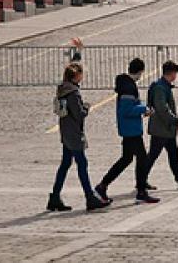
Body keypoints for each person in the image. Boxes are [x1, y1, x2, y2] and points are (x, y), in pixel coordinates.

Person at [95, 58, 159, 205]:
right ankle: (141, 191)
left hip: (128, 128)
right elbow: (127, 110)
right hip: (131, 130)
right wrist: (144, 109)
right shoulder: (129, 87)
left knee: (126, 159)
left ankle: (103, 186)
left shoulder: (125, 85)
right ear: (140, 71)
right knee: (142, 158)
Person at [48, 63, 110, 212]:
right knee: (82, 163)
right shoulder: (73, 93)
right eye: (81, 74)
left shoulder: (62, 90)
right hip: (74, 132)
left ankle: (55, 196)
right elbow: (79, 114)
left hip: (65, 130)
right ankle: (90, 197)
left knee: (65, 164)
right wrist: (87, 108)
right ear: (76, 76)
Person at [146, 61, 178, 190]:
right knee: (153, 156)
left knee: (172, 154)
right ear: (172, 73)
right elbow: (162, 109)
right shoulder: (160, 87)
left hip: (166, 129)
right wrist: (175, 121)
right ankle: (141, 180)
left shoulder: (163, 86)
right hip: (162, 129)